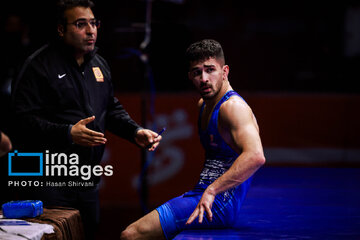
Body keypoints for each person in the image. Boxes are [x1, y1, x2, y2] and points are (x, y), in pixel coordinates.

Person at [11, 0, 161, 239]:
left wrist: (135, 131)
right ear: (61, 29)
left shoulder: (99, 65)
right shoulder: (37, 66)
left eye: (93, 23)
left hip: (86, 178)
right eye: (81, 24)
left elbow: (110, 109)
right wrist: (67, 133)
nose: (91, 31)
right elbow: (20, 122)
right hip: (47, 178)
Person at [120, 39, 266, 240]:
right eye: (197, 72)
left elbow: (256, 156)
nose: (204, 78)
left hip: (218, 203)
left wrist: (212, 190)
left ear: (225, 71)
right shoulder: (204, 105)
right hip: (205, 195)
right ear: (190, 76)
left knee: (131, 235)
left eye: (210, 70)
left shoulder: (233, 108)